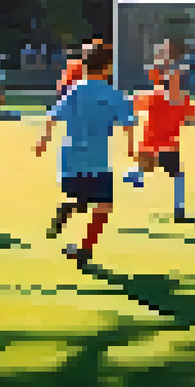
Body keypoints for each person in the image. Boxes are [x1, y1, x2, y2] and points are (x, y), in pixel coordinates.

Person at [36, 41, 135, 264]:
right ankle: (85, 249)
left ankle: (70, 207)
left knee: (82, 197)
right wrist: (130, 146)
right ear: (108, 67)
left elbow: (53, 115)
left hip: (70, 158)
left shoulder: (75, 89)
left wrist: (43, 139)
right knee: (104, 205)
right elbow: (128, 122)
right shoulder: (114, 94)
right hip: (98, 159)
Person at [123, 52, 195, 222]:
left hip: (148, 145)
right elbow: (191, 121)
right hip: (169, 146)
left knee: (148, 165)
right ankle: (179, 209)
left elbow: (130, 102)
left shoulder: (154, 95)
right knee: (178, 175)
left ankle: (135, 174)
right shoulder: (183, 99)